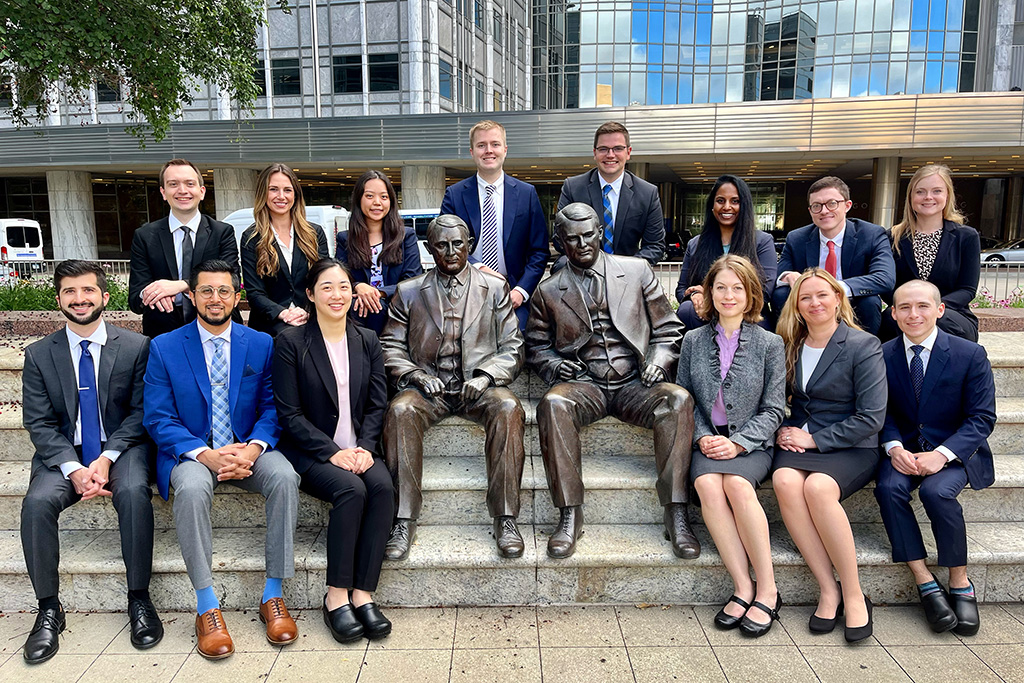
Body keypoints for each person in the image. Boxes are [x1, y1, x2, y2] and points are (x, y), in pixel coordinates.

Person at [143, 259, 301, 659]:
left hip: (248, 448)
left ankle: (273, 594)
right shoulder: (164, 347)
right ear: (192, 295)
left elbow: (273, 407)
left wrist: (252, 448)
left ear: (237, 296)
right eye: (207, 291)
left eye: (224, 291)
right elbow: (158, 417)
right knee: (192, 489)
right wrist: (206, 455)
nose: (216, 299)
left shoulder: (262, 343)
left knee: (284, 477)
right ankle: (207, 605)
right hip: (195, 452)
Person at [527, 202, 696, 560]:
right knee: (553, 403)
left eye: (589, 234)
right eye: (572, 239)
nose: (582, 243)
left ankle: (677, 512)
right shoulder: (549, 290)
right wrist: (556, 366)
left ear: (600, 232)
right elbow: (536, 347)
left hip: (636, 381)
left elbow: (668, 329)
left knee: (678, 399)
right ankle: (570, 513)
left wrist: (657, 359)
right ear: (559, 242)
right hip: (585, 382)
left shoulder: (637, 271)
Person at [20, 260, 162, 664]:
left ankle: (139, 597)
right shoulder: (39, 355)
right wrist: (75, 468)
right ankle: (49, 608)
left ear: (105, 296)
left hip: (121, 447)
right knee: (35, 504)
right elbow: (39, 422)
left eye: (87, 291)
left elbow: (140, 412)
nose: (79, 299)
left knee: (134, 491)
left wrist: (106, 457)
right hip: (63, 453)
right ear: (59, 299)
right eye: (69, 292)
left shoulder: (136, 346)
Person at [379, 215, 526, 560]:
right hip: (429, 386)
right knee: (400, 410)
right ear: (430, 249)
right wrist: (415, 375)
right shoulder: (409, 291)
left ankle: (505, 517)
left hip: (478, 387)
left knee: (508, 407)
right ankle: (402, 518)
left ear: (470, 245)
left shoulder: (493, 288)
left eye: (457, 243)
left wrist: (487, 375)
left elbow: (514, 345)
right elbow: (389, 346)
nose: (450, 251)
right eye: (441, 245)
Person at [273, 258, 395, 642]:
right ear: (310, 295)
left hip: (357, 447)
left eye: (344, 286)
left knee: (383, 487)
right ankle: (336, 597)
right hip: (310, 451)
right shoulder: (290, 343)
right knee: (351, 489)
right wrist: (331, 452)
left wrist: (364, 448)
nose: (337, 294)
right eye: (326, 287)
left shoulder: (367, 340)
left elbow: (378, 403)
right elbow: (289, 415)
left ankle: (363, 593)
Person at [875, 280, 996, 636]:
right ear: (893, 314)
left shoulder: (969, 354)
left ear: (939, 310)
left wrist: (942, 455)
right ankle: (925, 581)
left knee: (935, 492)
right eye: (905, 308)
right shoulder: (882, 356)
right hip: (904, 450)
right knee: (887, 488)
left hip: (955, 451)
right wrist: (894, 447)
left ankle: (960, 582)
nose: (914, 314)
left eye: (923, 306)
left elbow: (982, 418)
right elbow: (880, 413)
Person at [772, 268, 887, 643]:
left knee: (819, 489)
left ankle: (854, 593)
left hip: (851, 446)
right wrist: (782, 430)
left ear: (838, 298)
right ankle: (828, 588)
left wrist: (814, 441)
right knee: (784, 480)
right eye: (805, 297)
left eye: (823, 295)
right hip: (801, 440)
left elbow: (871, 418)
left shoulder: (862, 345)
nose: (814, 303)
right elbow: (780, 400)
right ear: (797, 305)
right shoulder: (789, 342)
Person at [675, 254, 785, 637]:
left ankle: (768, 590)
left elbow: (775, 409)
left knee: (737, 485)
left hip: (751, 443)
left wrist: (738, 444)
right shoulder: (691, 340)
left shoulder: (770, 343)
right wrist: (704, 435)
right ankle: (743, 586)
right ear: (708, 292)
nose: (728, 295)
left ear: (751, 293)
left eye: (737, 287)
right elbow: (684, 398)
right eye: (720, 287)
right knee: (707, 484)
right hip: (705, 440)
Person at [440, 120, 550, 328]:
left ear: (505, 150)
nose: (488, 151)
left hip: (514, 294)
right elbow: (445, 246)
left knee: (520, 351)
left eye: (495, 144)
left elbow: (539, 251)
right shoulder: (454, 195)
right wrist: (480, 268)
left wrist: (522, 291)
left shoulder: (527, 194)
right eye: (481, 145)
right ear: (472, 152)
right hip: (465, 291)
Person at [129, 158, 241, 338]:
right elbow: (135, 297)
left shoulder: (222, 232)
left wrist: (178, 286)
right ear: (163, 192)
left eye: (190, 183)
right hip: (163, 331)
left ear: (201, 191)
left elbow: (231, 278)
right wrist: (155, 293)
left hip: (218, 326)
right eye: (173, 184)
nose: (182, 190)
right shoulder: (144, 236)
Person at [773, 176, 895, 334]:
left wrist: (835, 289)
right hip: (812, 302)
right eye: (817, 206)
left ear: (847, 205)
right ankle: (792, 348)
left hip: (852, 301)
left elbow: (885, 277)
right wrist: (787, 276)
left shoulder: (871, 234)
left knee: (869, 301)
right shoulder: (797, 238)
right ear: (810, 211)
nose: (824, 211)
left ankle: (864, 353)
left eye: (832, 204)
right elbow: (778, 274)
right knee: (781, 294)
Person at [882, 164, 981, 342]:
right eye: (920, 192)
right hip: (904, 314)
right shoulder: (892, 238)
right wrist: (908, 308)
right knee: (888, 321)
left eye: (936, 191)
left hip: (951, 313)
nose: (928, 197)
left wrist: (930, 308)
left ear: (947, 195)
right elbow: (887, 285)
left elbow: (967, 289)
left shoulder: (966, 236)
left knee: (944, 324)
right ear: (911, 196)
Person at [674, 175, 777, 329]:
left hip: (747, 315)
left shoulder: (762, 241)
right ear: (712, 206)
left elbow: (765, 291)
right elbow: (682, 289)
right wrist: (695, 295)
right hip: (706, 315)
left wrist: (716, 296)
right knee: (686, 310)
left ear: (745, 206)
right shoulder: (696, 244)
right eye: (720, 201)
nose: (727, 207)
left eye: (735, 201)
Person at [556, 121, 665, 266]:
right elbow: (560, 239)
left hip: (627, 274)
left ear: (628, 152)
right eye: (603, 149)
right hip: (582, 272)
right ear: (595, 153)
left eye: (618, 148)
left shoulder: (647, 193)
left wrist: (617, 269)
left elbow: (654, 246)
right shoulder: (573, 188)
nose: (610, 155)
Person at [240, 163, 330, 336]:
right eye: (273, 189)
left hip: (311, 320)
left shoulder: (314, 233)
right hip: (271, 326)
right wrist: (284, 314)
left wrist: (306, 310)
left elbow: (323, 281)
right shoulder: (251, 238)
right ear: (263, 193)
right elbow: (254, 292)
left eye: (287, 190)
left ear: (295, 194)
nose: (281, 196)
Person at [337, 170, 422, 335]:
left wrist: (379, 292)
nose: (377, 202)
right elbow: (340, 277)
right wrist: (358, 286)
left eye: (384, 197)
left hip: (396, 309)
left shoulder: (406, 236)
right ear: (359, 200)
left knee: (378, 308)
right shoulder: (345, 239)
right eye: (369, 196)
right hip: (358, 311)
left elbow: (413, 280)